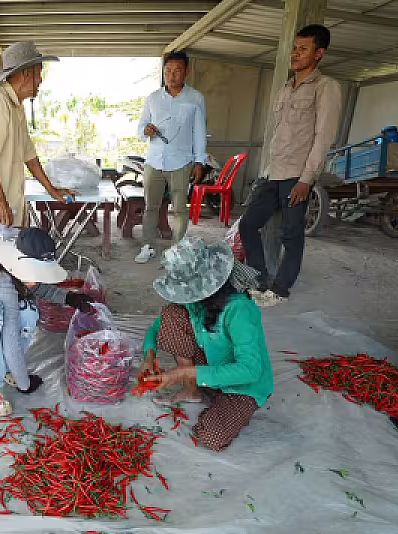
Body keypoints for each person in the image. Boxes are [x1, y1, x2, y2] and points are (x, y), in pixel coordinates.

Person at [239, 24, 342, 307]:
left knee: (291, 234)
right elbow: (278, 134)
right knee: (248, 225)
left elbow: (323, 138)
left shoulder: (326, 88)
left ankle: (281, 289)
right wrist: (266, 171)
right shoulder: (286, 87)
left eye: (303, 49)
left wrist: (306, 180)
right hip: (273, 172)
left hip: (297, 174)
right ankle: (258, 279)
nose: (295, 54)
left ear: (319, 53)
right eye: (295, 48)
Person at [139, 237, 272, 451]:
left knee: (211, 437)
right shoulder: (194, 303)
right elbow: (157, 326)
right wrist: (148, 356)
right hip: (208, 372)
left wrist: (185, 373)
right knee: (171, 314)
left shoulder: (239, 310)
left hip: (242, 386)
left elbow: (251, 369)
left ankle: (220, 401)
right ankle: (192, 391)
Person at [0, 227, 95, 415]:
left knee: (28, 309)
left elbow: (41, 289)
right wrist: (24, 384)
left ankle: (7, 369)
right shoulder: (0, 284)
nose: (37, 278)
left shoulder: (16, 275)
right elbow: (10, 340)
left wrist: (69, 298)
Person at [0, 41, 73, 276]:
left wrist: (52, 190)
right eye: (39, 74)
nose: (41, 81)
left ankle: (1, 312)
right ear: (26, 74)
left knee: (3, 274)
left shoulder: (15, 106)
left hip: (2, 205)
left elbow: (29, 155)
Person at [134, 50, 206, 264]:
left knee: (180, 210)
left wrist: (199, 161)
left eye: (177, 71)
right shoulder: (153, 98)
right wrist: (144, 131)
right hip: (154, 160)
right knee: (151, 207)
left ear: (187, 72)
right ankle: (148, 246)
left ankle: (176, 251)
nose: (172, 75)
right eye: (168, 71)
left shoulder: (195, 98)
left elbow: (199, 132)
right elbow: (140, 127)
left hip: (181, 162)